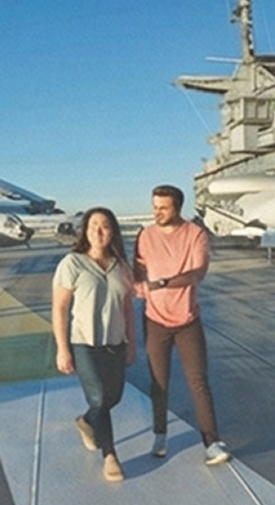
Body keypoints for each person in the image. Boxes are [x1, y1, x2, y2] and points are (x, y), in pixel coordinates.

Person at [135, 184, 230, 465]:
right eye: (154, 207)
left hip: (188, 319)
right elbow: (138, 270)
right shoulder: (146, 235)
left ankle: (212, 442)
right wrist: (139, 286)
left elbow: (195, 274)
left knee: (198, 380)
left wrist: (161, 282)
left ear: (177, 207)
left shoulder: (195, 235)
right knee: (158, 383)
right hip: (155, 320)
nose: (157, 213)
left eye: (163, 208)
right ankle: (160, 434)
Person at [52, 207, 137, 482]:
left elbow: (127, 309)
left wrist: (132, 344)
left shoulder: (121, 266)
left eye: (105, 226)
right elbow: (60, 308)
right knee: (99, 397)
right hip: (84, 344)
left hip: (115, 343)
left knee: (112, 398)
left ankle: (87, 421)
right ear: (85, 231)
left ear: (113, 231)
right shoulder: (72, 263)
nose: (98, 232)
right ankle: (110, 455)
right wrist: (62, 348)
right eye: (93, 226)